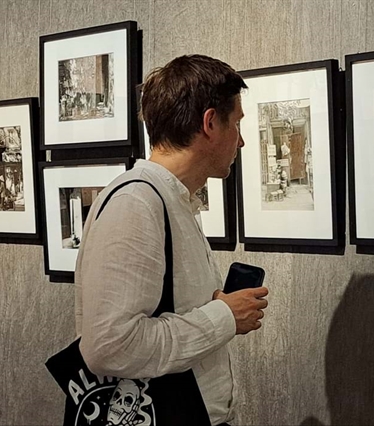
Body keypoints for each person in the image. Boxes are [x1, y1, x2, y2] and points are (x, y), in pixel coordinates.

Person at [74, 54, 269, 426]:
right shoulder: (136, 203)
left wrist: (211, 305)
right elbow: (109, 346)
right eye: (236, 124)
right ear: (210, 123)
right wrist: (224, 316)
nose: (241, 141)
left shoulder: (171, 200)